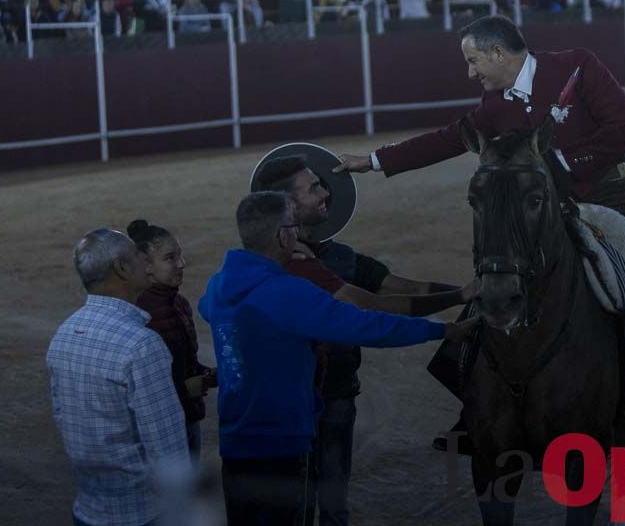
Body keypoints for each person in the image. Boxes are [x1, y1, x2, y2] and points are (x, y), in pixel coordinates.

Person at [333, 15, 625, 451]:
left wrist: (560, 164)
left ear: (499, 53)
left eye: (474, 60)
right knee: (497, 276)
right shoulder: (494, 107)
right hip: (544, 210)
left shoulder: (578, 66)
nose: (471, 72)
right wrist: (372, 160)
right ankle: (475, 406)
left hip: (611, 199)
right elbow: (448, 139)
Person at [199, 191, 475, 526]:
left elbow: (207, 310)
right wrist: (442, 331)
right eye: (294, 226)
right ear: (284, 236)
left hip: (235, 444)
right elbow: (368, 326)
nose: (299, 232)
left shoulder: (217, 287)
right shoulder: (290, 293)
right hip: (283, 444)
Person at [47, 229, 190, 526]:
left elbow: (64, 417)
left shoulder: (64, 334)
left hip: (89, 510)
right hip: (144, 513)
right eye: (138, 255)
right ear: (121, 268)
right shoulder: (141, 345)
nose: (145, 260)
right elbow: (168, 450)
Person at [130, 220, 217, 461]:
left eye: (180, 255)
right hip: (158, 430)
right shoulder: (139, 313)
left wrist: (205, 374)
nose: (182, 263)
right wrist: (186, 389)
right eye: (170, 258)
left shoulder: (180, 304)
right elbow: (137, 388)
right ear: (146, 265)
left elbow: (183, 362)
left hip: (187, 417)